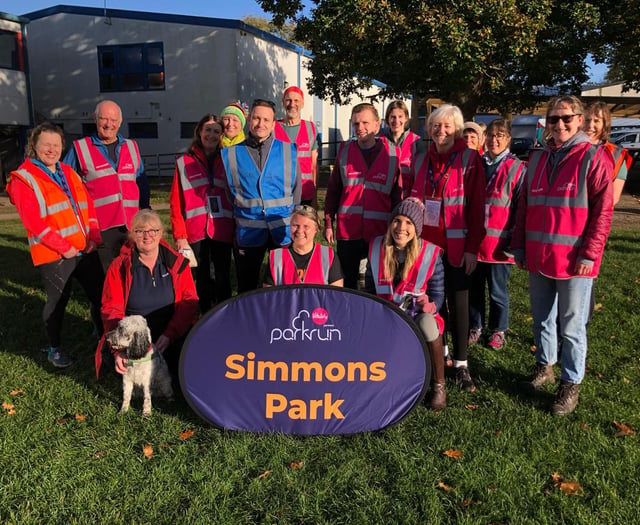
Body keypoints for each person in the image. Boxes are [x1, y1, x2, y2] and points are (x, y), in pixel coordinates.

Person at [513, 95, 613, 417]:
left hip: (575, 262)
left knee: (571, 326)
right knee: (542, 319)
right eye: (553, 119)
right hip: (540, 256)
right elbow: (524, 206)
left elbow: (603, 213)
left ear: (580, 120)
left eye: (566, 118)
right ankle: (545, 366)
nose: (560, 125)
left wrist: (591, 254)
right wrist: (519, 247)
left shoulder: (594, 157)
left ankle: (571, 383)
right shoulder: (538, 158)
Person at [6, 122, 104, 368]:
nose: (51, 150)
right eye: (46, 145)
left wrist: (94, 237)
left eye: (56, 145)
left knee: (101, 295)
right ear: (34, 147)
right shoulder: (24, 179)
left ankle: (104, 336)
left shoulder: (69, 172)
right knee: (57, 302)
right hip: (54, 254)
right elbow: (35, 223)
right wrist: (64, 247)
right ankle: (55, 348)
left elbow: (88, 206)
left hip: (85, 248)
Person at [410, 104, 485, 392]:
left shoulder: (470, 159)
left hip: (457, 245)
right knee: (432, 303)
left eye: (447, 126)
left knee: (459, 302)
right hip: (425, 246)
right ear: (429, 129)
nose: (441, 131)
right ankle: (439, 356)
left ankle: (462, 364)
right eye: (436, 126)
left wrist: (472, 247)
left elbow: (477, 206)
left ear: (456, 130)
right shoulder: (420, 160)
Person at [363, 198, 446, 410]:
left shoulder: (430, 253)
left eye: (409, 223)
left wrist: (431, 305)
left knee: (428, 324)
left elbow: (438, 294)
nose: (401, 228)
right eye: (397, 221)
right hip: (386, 313)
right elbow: (370, 290)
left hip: (415, 315)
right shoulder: (376, 247)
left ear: (416, 228)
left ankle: (438, 386)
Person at [100, 209, 198, 382]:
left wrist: (170, 334)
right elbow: (111, 309)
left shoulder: (177, 263)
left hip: (170, 331)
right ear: (132, 235)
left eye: (153, 230)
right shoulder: (119, 267)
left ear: (161, 233)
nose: (147, 236)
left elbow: (189, 302)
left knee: (187, 369)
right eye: (140, 231)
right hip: (134, 337)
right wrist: (118, 350)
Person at [221, 99, 302, 292]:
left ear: (273, 123)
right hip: (249, 230)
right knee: (246, 285)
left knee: (284, 284)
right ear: (249, 120)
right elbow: (229, 192)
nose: (261, 124)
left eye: (266, 120)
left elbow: (296, 188)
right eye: (257, 118)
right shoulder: (230, 154)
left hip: (282, 230)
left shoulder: (287, 150)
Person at [64, 100, 149, 273]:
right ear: (95, 118)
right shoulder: (80, 149)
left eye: (114, 120)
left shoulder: (132, 147)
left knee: (133, 270)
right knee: (107, 273)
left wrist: (146, 213)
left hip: (132, 224)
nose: (109, 124)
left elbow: (142, 183)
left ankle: (130, 300)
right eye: (104, 119)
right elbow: (65, 184)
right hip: (100, 227)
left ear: (120, 122)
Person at [324, 102, 402, 290]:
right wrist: (328, 223)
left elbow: (397, 196)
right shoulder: (343, 152)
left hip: (379, 232)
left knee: (378, 284)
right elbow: (333, 191)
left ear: (377, 125)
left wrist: (396, 228)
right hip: (347, 232)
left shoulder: (392, 155)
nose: (360, 128)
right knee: (347, 284)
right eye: (356, 124)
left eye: (365, 123)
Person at [468, 119, 526, 350]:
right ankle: (476, 325)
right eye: (490, 135)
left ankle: (498, 329)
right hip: (476, 243)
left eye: (500, 135)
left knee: (497, 291)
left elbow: (522, 207)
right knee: (475, 290)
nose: (494, 139)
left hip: (501, 245)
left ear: (508, 139)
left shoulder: (517, 167)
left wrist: (515, 240)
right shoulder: (476, 164)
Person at [169, 113, 234, 311]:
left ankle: (225, 314)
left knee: (223, 277)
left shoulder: (228, 160)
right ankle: (205, 316)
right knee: (203, 278)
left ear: (222, 135)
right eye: (208, 130)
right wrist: (180, 236)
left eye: (217, 131)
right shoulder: (184, 162)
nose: (212, 135)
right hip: (196, 232)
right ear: (199, 131)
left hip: (223, 230)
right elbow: (175, 203)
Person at [264, 205, 343, 286]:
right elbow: (268, 295)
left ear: (316, 229)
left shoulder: (328, 256)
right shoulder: (276, 257)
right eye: (295, 225)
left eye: (306, 226)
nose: (300, 231)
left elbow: (336, 294)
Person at [274, 86, 319, 206]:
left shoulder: (311, 128)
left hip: (306, 193)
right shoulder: (273, 128)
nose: (292, 104)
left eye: (296, 100)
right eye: (288, 100)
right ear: (283, 102)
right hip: (280, 194)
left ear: (302, 103)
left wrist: (314, 196)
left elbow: (314, 165)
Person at [584, 101, 633, 206]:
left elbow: (613, 198)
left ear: (604, 124)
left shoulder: (616, 154)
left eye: (596, 121)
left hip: (595, 215)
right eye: (586, 120)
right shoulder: (567, 150)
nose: (590, 125)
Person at [382, 100, 425, 198]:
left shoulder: (416, 142)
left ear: (406, 119)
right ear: (387, 119)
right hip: (385, 199)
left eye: (400, 117)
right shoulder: (380, 142)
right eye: (393, 117)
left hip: (408, 199)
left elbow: (421, 176)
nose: (396, 121)